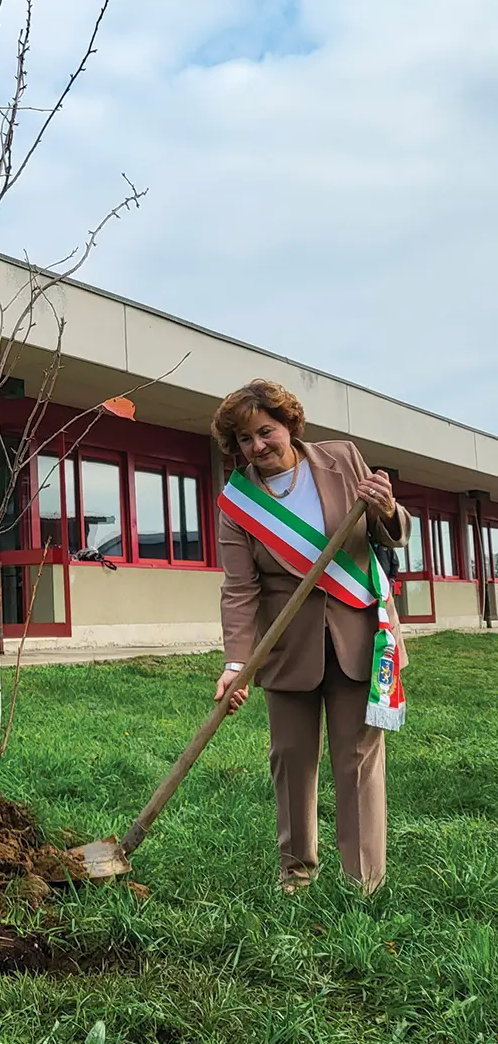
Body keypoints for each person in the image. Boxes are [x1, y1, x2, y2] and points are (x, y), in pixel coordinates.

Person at [211, 379, 411, 893]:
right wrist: (236, 664)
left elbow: (390, 531)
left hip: (359, 635)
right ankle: (296, 873)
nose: (258, 446)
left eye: (265, 431)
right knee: (291, 760)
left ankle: (360, 883)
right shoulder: (237, 505)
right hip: (286, 646)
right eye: (244, 440)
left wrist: (385, 508)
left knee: (357, 760)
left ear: (289, 425)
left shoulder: (343, 459)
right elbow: (239, 589)